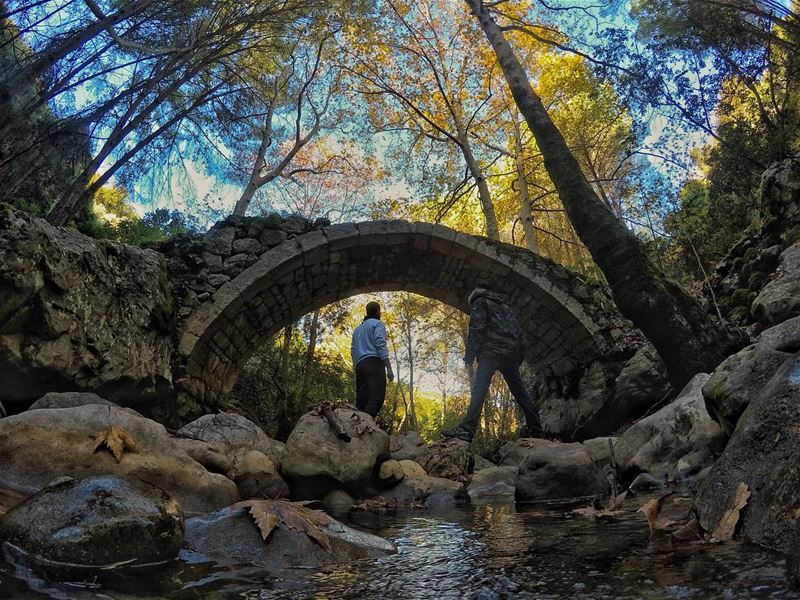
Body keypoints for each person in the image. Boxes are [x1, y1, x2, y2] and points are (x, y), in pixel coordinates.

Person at [442, 282, 543, 442]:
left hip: (491, 351)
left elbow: (477, 328)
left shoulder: (480, 302)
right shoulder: (506, 308)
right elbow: (520, 333)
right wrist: (518, 357)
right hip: (511, 354)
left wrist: (469, 355)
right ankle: (536, 429)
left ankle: (466, 430)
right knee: (520, 391)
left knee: (480, 389)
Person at [351, 301, 395, 417]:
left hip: (360, 365)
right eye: (379, 311)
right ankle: (363, 425)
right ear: (377, 312)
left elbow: (353, 350)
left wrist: (356, 366)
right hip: (374, 363)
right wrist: (388, 368)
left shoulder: (357, 330)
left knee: (361, 401)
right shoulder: (377, 324)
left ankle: (355, 427)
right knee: (376, 399)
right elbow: (380, 343)